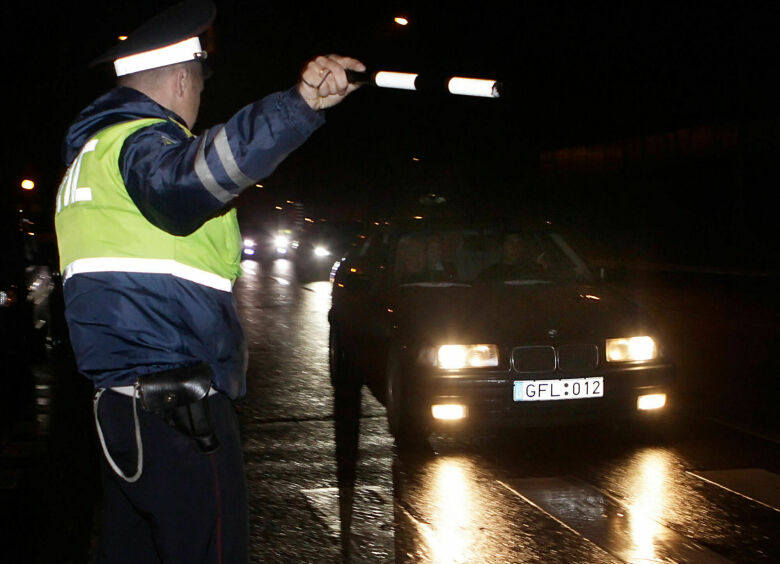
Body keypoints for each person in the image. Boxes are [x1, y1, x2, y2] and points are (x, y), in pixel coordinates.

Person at [53, 1, 364, 561]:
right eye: (197, 88)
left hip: (121, 411)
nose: (197, 103)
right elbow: (188, 182)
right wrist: (299, 107)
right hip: (179, 414)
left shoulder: (89, 160)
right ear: (179, 78)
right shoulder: (140, 143)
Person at [478, 231, 546, 281]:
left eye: (518, 243)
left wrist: (544, 269)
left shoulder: (532, 271)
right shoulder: (489, 274)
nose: (515, 247)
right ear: (501, 248)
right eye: (510, 243)